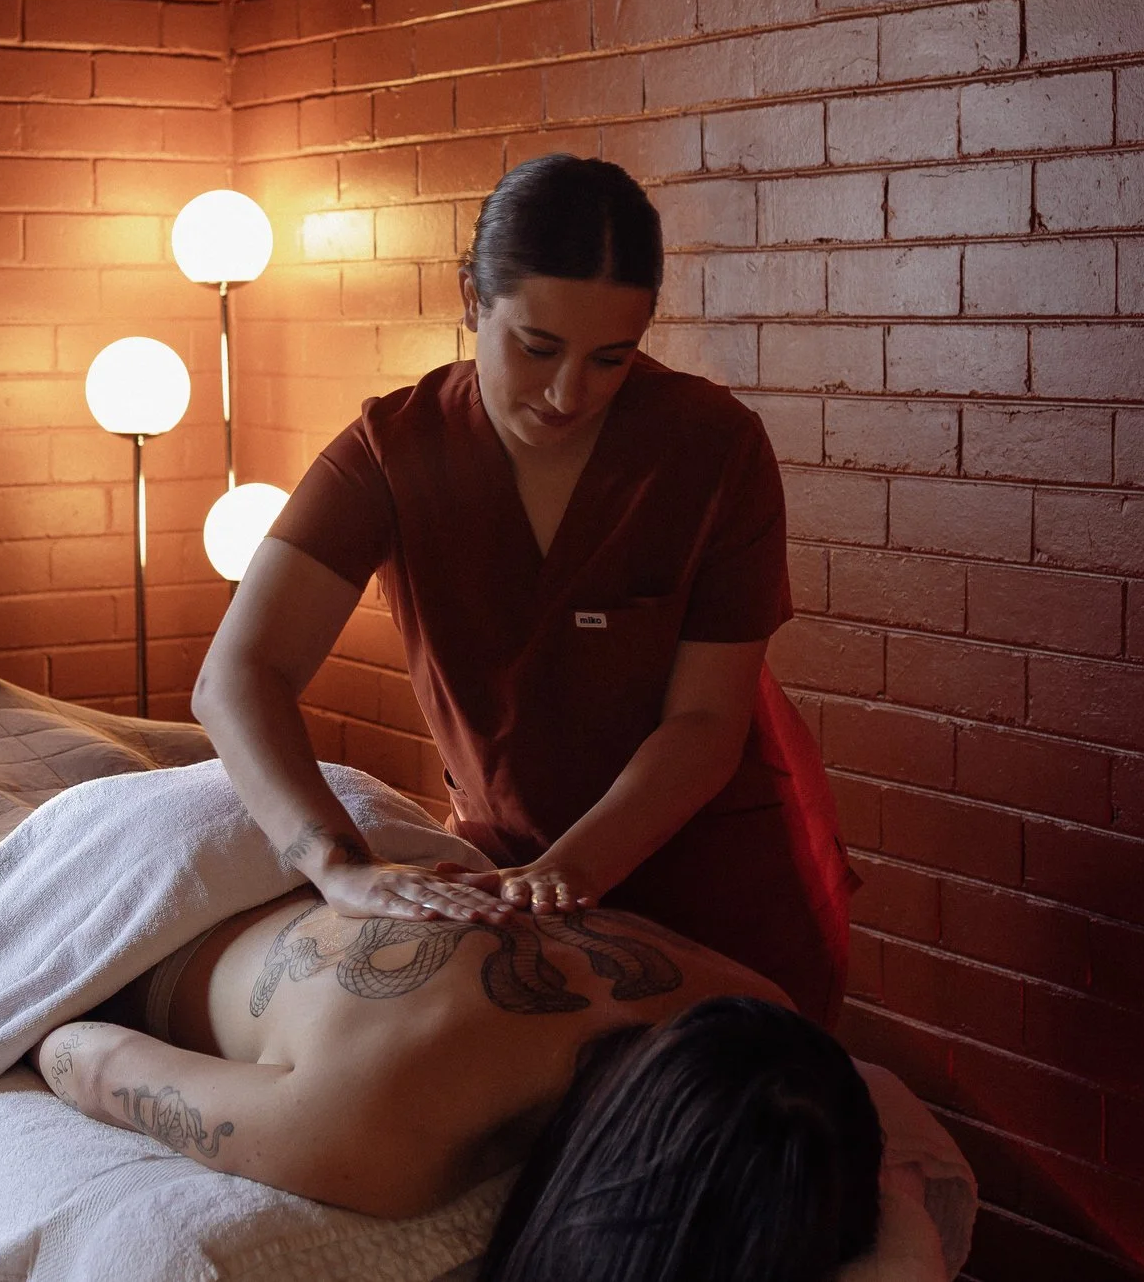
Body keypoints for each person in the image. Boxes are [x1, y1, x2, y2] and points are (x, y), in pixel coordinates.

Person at [191, 154, 853, 1022]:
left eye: (611, 358)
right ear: (472, 298)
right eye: (536, 348)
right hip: (509, 888)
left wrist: (569, 873)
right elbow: (238, 676)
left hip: (718, 889)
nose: (568, 393)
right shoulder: (394, 453)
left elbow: (704, 722)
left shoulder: (713, 450)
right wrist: (337, 863)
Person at [28, 887, 884, 1279]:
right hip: (161, 892)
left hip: (370, 851)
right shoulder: (384, 1126)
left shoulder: (766, 1010)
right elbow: (81, 1053)